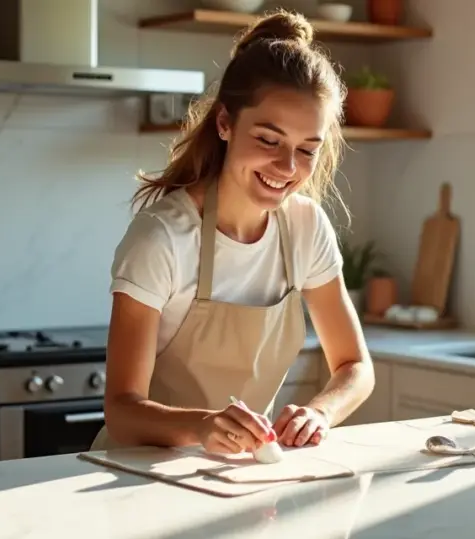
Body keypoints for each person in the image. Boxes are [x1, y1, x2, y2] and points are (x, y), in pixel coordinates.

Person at [90, 9, 375, 455]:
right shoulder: (162, 239)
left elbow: (355, 365)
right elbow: (122, 410)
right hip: (140, 476)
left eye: (307, 149)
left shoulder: (305, 228)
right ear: (225, 123)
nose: (288, 168)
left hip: (233, 477)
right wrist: (204, 426)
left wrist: (320, 412)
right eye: (268, 140)